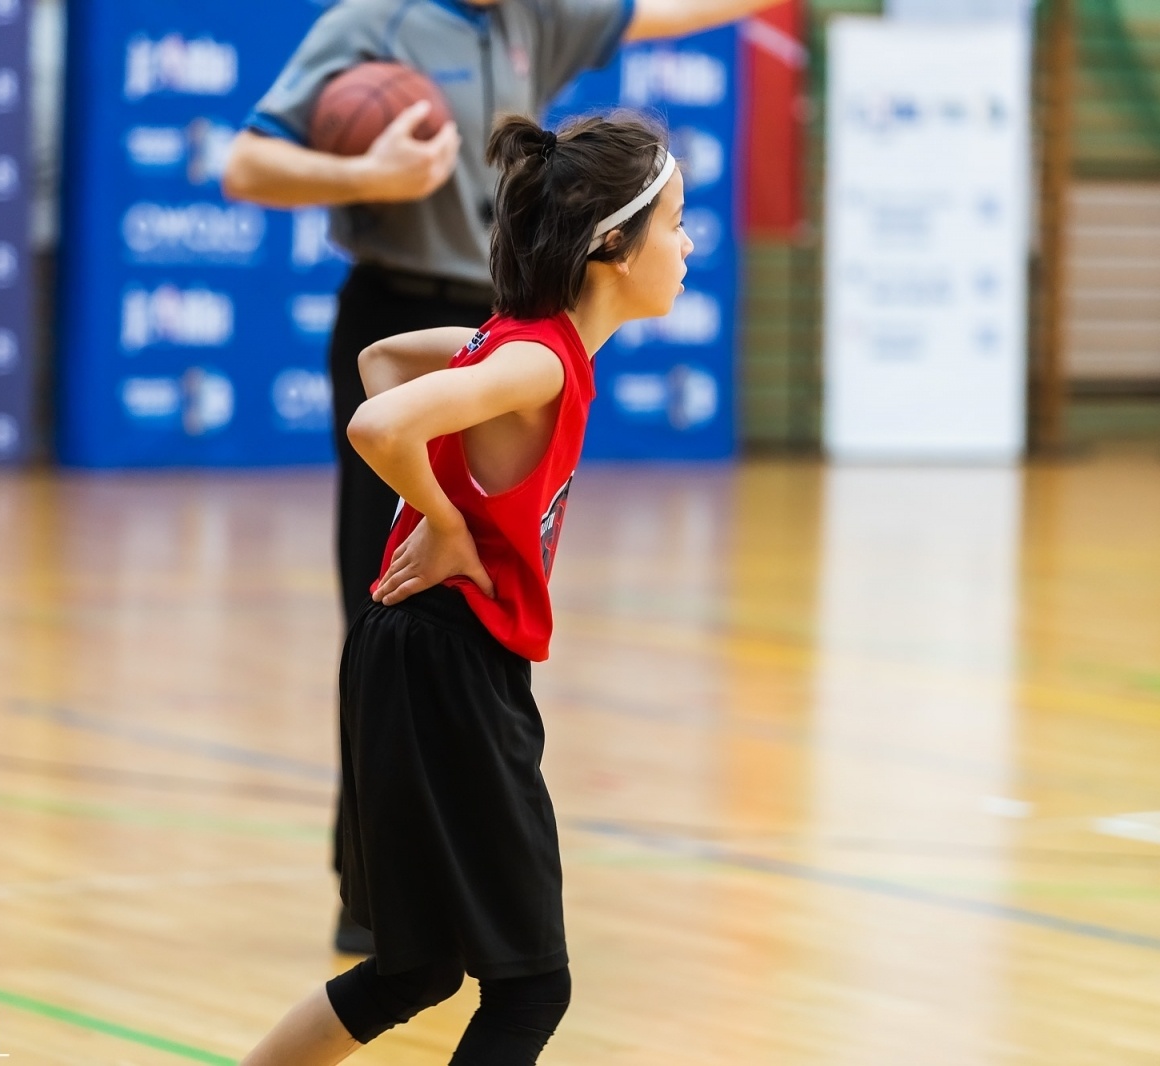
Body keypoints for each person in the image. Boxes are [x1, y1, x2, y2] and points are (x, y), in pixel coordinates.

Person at [221, 0, 778, 953]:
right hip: (400, 307)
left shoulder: (535, 18)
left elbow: (658, 12)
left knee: (465, 608)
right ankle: (378, 882)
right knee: (391, 598)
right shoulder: (372, 25)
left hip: (498, 318)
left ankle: (438, 878)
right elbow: (245, 166)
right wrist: (364, 172)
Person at [238, 110, 691, 1066]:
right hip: (448, 662)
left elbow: (379, 362)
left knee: (416, 969)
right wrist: (448, 526)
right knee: (531, 988)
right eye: (679, 222)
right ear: (614, 245)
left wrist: (466, 418)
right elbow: (377, 424)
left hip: (414, 658)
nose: (690, 244)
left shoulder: (521, 344)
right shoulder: (533, 360)